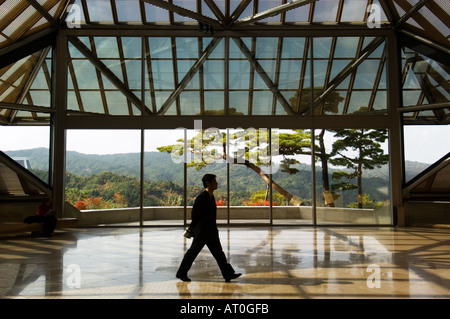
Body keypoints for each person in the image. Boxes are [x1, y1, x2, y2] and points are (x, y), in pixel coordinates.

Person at [176, 174, 242, 282]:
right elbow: (195, 215)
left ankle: (228, 274)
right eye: (214, 181)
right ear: (208, 183)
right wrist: (192, 228)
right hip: (202, 232)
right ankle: (181, 273)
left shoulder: (211, 197)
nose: (217, 183)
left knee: (219, 253)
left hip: (211, 231)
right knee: (192, 253)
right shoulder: (201, 197)